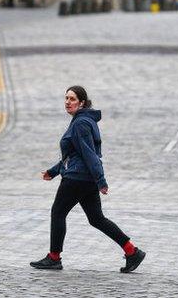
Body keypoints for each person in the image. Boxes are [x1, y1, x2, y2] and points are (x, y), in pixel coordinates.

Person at [30, 85, 146, 273]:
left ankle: (54, 258)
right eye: (66, 98)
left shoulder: (81, 123)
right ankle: (132, 251)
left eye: (72, 99)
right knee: (96, 219)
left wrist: (101, 180)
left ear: (82, 102)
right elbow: (73, 155)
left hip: (77, 178)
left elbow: (89, 153)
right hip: (85, 177)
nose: (68, 102)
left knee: (58, 213)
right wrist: (53, 172)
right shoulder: (82, 120)